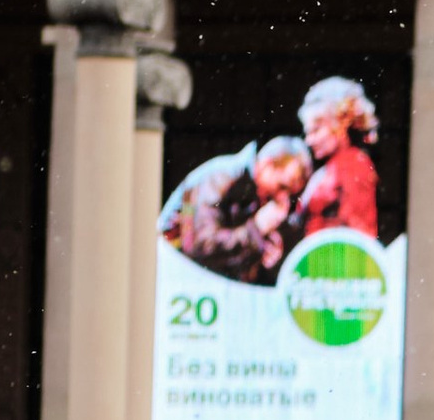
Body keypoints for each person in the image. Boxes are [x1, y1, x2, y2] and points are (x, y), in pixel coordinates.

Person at [162, 135, 309, 285]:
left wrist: (265, 253)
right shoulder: (221, 177)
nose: (283, 198)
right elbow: (200, 246)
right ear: (267, 165)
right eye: (282, 187)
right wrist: (256, 229)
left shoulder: (259, 192)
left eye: (291, 194)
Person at [294, 78, 380, 243]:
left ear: (341, 123)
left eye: (316, 130)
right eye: (308, 133)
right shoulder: (329, 169)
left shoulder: (355, 164)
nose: (309, 141)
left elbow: (361, 235)